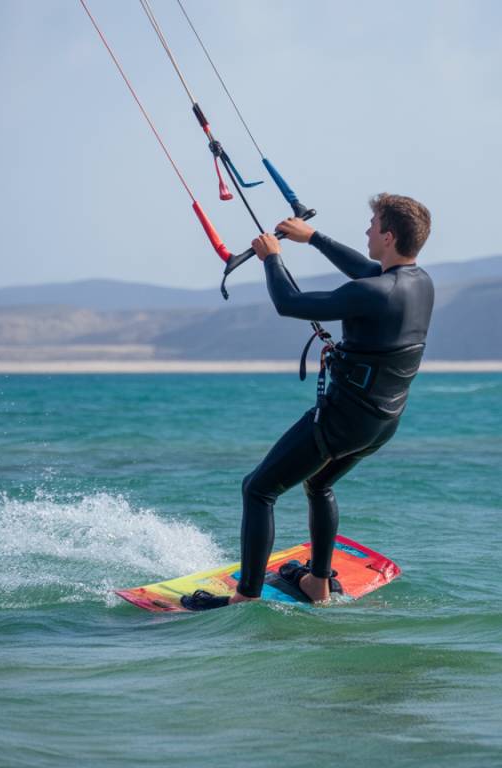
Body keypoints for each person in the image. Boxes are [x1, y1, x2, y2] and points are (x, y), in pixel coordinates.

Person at [182, 193, 434, 610]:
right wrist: (313, 237)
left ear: (388, 236)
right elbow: (366, 269)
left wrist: (271, 257)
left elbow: (290, 304)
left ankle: (245, 597)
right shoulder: (418, 282)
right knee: (318, 482)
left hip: (343, 420)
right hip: (382, 424)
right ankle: (318, 583)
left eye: (373, 225)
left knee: (258, 489)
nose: (367, 230)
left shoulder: (374, 293)